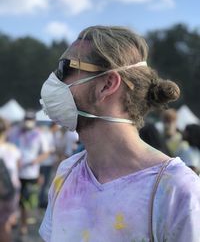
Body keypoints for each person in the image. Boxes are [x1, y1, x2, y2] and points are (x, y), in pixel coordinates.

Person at [39, 26, 200, 242]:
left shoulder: (175, 189)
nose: (55, 80)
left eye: (65, 68)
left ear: (107, 84)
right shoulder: (66, 173)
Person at [9, 110, 51, 235]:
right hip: (14, 173)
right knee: (14, 199)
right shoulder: (16, 132)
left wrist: (36, 161)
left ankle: (23, 224)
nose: (28, 122)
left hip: (31, 174)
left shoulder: (39, 134)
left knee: (26, 202)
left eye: (30, 120)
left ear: (34, 121)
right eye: (26, 119)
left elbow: (46, 152)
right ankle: (15, 220)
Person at [0, 117, 21, 242]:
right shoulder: (13, 149)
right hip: (11, 192)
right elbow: (18, 167)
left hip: (4, 193)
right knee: (5, 225)